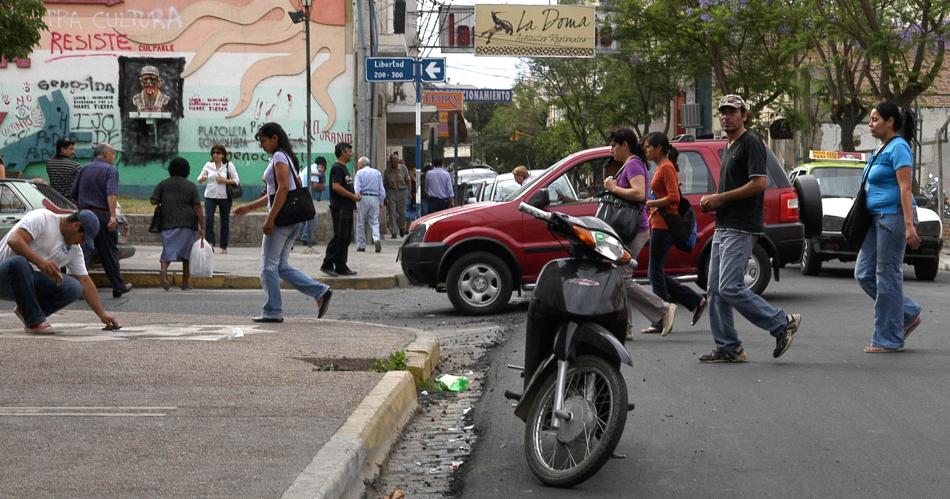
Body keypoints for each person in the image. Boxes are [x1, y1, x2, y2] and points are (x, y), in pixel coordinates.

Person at [698, 94, 800, 363]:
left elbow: (759, 183)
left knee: (730, 287)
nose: (726, 116)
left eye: (732, 111)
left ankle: (781, 323)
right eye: (723, 111)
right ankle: (728, 347)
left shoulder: (751, 142)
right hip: (724, 225)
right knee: (715, 289)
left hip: (741, 227)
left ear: (744, 115)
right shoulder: (730, 145)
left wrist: (720, 198)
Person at [233, 122, 333, 322]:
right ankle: (320, 292)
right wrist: (249, 208)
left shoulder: (279, 156)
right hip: (292, 219)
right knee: (281, 266)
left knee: (267, 267)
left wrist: (271, 218)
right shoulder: (287, 157)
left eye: (263, 141)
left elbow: (283, 189)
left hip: (281, 219)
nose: (262, 146)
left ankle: (273, 311)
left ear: (274, 139)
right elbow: (275, 192)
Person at [855, 101, 923, 353]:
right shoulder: (880, 149)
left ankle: (888, 339)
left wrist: (908, 225)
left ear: (890, 122)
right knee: (864, 273)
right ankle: (907, 312)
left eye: (874, 119)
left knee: (887, 276)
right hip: (875, 219)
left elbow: (905, 188)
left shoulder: (899, 148)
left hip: (892, 217)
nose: (870, 124)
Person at [603, 128, 677, 338]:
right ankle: (625, 328)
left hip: (635, 229)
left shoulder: (633, 162)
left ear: (625, 145)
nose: (612, 150)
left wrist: (612, 187)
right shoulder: (631, 163)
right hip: (631, 229)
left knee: (621, 276)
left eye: (614, 146)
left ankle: (662, 309)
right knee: (620, 277)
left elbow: (639, 193)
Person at [0, 209, 119, 334]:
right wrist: (40, 262)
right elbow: (14, 240)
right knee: (19, 262)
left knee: (75, 287)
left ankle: (27, 311)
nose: (82, 243)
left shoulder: (74, 250)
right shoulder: (43, 218)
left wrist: (102, 314)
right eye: (83, 238)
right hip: (5, 276)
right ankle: (34, 322)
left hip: (27, 285)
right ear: (76, 225)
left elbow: (85, 281)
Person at [643, 132, 708, 333]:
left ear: (659, 148)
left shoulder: (667, 168)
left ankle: (662, 316)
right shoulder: (661, 168)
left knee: (654, 272)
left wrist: (650, 203)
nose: (646, 150)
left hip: (665, 226)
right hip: (658, 223)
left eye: (648, 147)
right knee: (656, 273)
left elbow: (674, 199)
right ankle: (695, 301)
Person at [70, 143, 132, 299]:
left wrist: (82, 209)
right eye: (113, 153)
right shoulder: (110, 170)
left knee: (85, 252)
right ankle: (117, 286)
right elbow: (111, 194)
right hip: (102, 214)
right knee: (109, 251)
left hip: (84, 214)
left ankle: (79, 288)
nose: (114, 156)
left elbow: (74, 193)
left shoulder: (83, 169)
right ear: (104, 154)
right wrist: (112, 216)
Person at [151, 157, 205, 291]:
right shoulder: (191, 186)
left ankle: (164, 269)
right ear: (186, 170)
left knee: (168, 249)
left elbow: (153, 200)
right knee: (187, 255)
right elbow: (197, 207)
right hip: (188, 223)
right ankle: (185, 283)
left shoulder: (163, 184)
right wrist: (202, 226)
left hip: (167, 222)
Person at [320, 142, 360, 277]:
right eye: (349, 151)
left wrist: (353, 202)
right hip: (340, 208)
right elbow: (336, 187)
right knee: (339, 237)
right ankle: (327, 264)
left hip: (347, 208)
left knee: (346, 237)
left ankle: (341, 266)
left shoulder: (344, 168)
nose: (351, 153)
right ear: (343, 152)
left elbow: (346, 186)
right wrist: (353, 196)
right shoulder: (337, 168)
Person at [197, 144, 240, 254]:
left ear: (223, 155)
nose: (215, 154)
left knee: (224, 221)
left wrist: (225, 180)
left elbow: (236, 181)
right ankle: (210, 243)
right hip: (210, 196)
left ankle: (223, 246)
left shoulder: (228, 165)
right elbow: (199, 178)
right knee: (209, 220)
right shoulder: (208, 164)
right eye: (214, 152)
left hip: (224, 197)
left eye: (218, 153)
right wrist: (202, 179)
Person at [354, 156, 386, 253]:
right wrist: (381, 202)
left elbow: (357, 188)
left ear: (361, 164)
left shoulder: (359, 173)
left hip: (363, 198)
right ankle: (376, 239)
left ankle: (361, 245)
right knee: (374, 221)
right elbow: (382, 190)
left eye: (358, 164)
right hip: (375, 198)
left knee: (360, 222)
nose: (357, 166)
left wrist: (356, 199)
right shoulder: (377, 173)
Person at [298, 157, 327, 248]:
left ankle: (303, 236)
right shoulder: (314, 169)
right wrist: (323, 187)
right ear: (321, 164)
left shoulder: (308, 168)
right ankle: (307, 238)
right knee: (312, 216)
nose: (322, 169)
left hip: (302, 193)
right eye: (323, 167)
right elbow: (314, 185)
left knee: (304, 217)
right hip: (307, 194)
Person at [383, 153, 410, 237]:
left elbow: (408, 180)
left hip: (402, 191)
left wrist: (409, 192)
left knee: (402, 212)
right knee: (392, 212)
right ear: (390, 162)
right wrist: (385, 195)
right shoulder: (387, 170)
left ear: (398, 161)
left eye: (395, 161)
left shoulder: (403, 168)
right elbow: (385, 183)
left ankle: (402, 228)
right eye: (392, 161)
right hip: (391, 192)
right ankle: (394, 232)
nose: (394, 163)